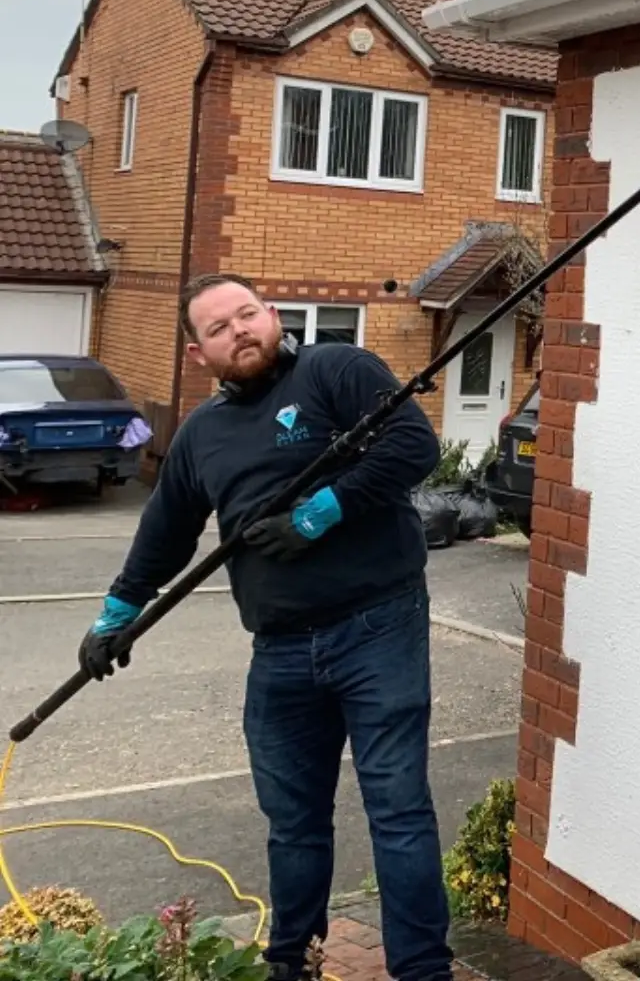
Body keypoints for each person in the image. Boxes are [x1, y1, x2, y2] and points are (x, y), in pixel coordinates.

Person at [79, 274, 449, 981]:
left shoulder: (335, 372)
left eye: (248, 314)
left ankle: (423, 969)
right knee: (293, 823)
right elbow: (167, 531)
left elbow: (410, 447)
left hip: (378, 625)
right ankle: (293, 961)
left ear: (272, 316)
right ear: (198, 354)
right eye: (219, 328)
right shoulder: (201, 436)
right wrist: (118, 614)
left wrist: (321, 513)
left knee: (398, 810)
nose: (240, 331)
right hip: (279, 650)